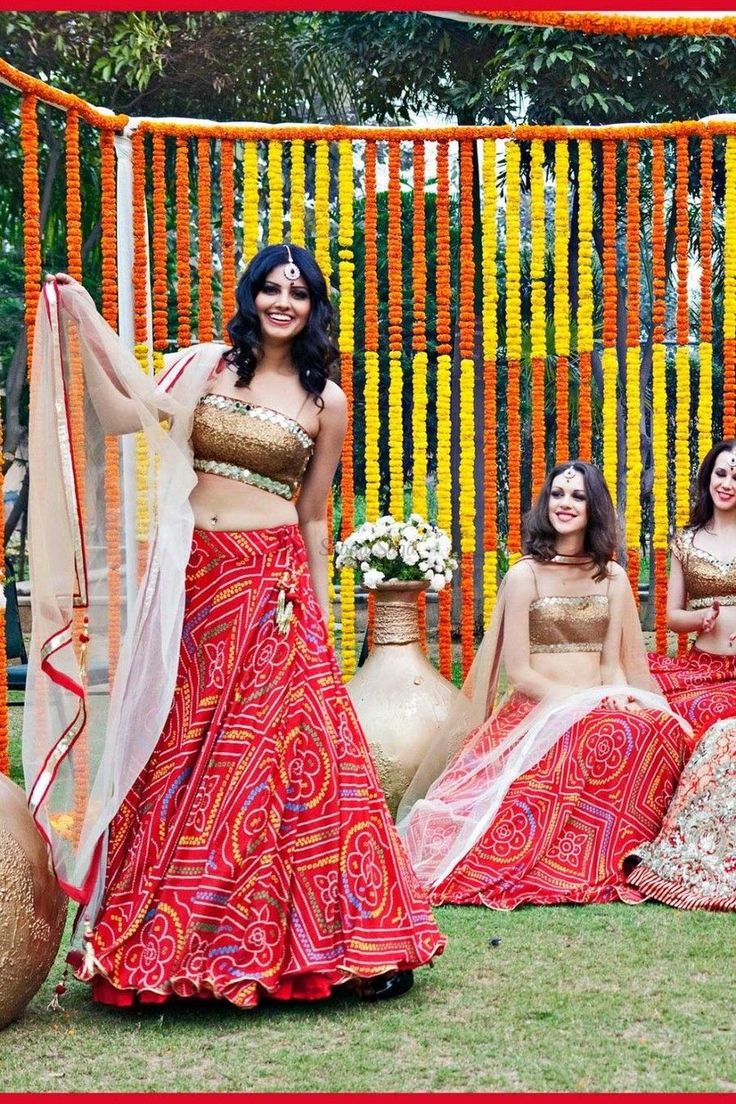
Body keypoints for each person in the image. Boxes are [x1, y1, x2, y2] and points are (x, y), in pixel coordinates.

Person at [24, 244, 445, 1009]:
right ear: (251, 296)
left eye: (299, 292)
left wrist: (320, 613)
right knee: (181, 748)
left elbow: (314, 515)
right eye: (271, 288)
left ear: (315, 308)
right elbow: (124, 416)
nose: (283, 302)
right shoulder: (208, 369)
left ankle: (353, 945)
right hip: (197, 579)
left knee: (284, 761)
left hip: (274, 585)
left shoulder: (328, 401)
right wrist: (81, 321)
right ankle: (170, 943)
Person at [396, 461, 694, 909]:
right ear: (545, 502)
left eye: (577, 496)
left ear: (594, 507)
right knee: (602, 733)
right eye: (558, 494)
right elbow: (521, 674)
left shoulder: (610, 576)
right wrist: (578, 703)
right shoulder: (525, 575)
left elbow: (611, 665)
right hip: (536, 713)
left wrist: (621, 698)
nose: (565, 504)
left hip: (597, 707)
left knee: (655, 731)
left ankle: (616, 856)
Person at [626, 439, 736, 910]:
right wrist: (702, 620)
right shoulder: (685, 540)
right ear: (708, 476)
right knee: (670, 715)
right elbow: (668, 616)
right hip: (701, 668)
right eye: (721, 473)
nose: (727, 483)